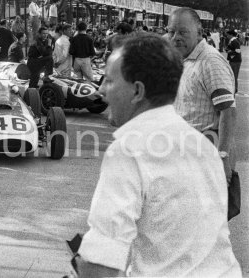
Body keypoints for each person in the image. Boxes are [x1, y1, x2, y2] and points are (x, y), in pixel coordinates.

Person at [76, 34, 241, 277]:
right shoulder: (204, 146)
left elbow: (100, 265)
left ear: (137, 91)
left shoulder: (130, 150)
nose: (101, 90)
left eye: (109, 81)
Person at [169, 7, 236, 184]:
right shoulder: (187, 59)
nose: (176, 37)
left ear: (199, 32)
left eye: (183, 32)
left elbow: (228, 111)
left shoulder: (210, 62)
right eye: (172, 32)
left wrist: (222, 157)